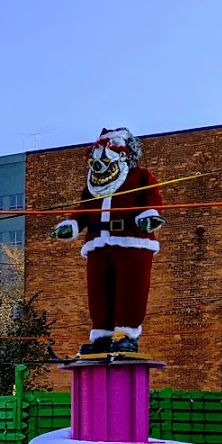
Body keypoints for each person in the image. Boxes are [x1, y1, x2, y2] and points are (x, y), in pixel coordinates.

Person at [51, 127, 165, 355]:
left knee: (130, 289)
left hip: (132, 243)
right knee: (98, 291)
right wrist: (72, 225)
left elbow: (153, 201)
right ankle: (102, 336)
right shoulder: (92, 186)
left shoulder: (140, 176)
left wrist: (149, 217)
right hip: (97, 245)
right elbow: (83, 210)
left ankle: (126, 334)